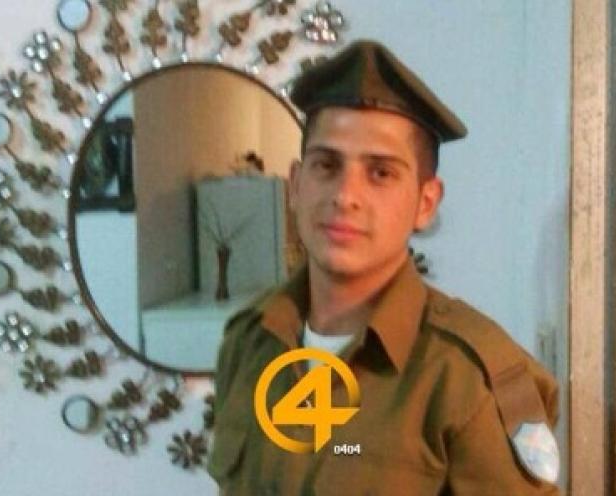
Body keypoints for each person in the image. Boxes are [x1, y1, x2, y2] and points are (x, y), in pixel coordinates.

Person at [206, 39, 560, 496]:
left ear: (425, 202)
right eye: (326, 165)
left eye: (380, 173)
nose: (344, 196)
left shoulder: (469, 381)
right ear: (295, 185)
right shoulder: (248, 342)